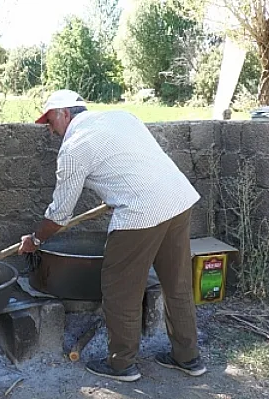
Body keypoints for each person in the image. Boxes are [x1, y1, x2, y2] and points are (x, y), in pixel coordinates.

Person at [18, 89, 207, 382]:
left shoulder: (74, 147)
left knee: (121, 291)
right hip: (178, 200)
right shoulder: (122, 117)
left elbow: (59, 215)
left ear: (63, 114)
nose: (50, 131)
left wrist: (36, 240)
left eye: (50, 122)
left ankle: (121, 365)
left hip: (141, 214)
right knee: (177, 284)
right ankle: (189, 358)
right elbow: (136, 163)